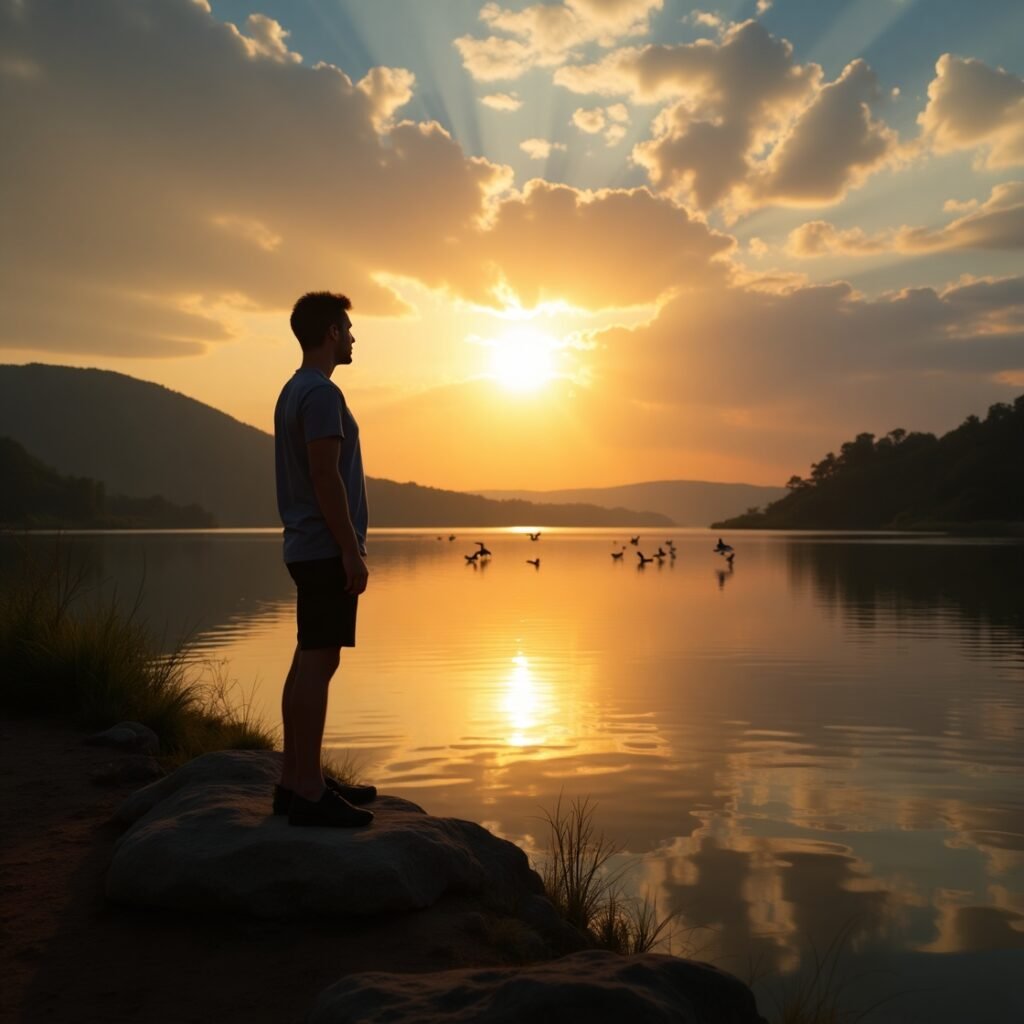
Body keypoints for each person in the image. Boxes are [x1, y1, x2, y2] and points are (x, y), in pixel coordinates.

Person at [272, 291, 376, 827]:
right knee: (320, 662)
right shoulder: (321, 395)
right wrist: (350, 549)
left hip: (305, 546)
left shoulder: (294, 390)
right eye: (349, 328)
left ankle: (294, 780)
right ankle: (309, 793)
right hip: (323, 548)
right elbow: (324, 475)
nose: (355, 337)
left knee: (306, 659)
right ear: (332, 333)